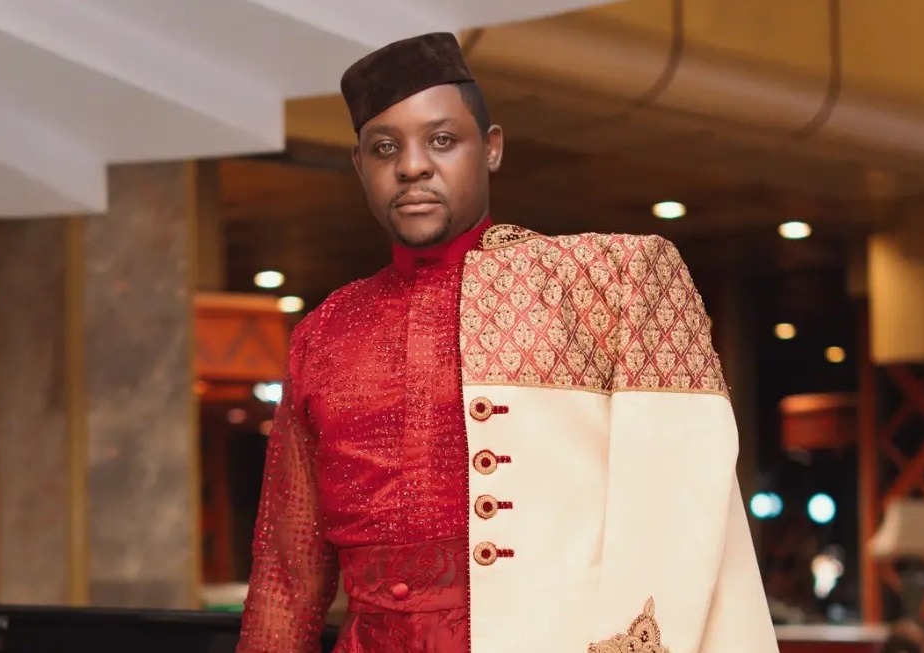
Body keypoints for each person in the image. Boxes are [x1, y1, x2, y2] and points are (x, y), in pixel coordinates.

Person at [236, 31, 777, 653]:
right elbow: (287, 573)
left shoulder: (598, 286)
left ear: (490, 148)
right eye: (385, 148)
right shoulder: (324, 334)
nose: (411, 166)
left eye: (442, 140)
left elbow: (678, 503)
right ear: (360, 165)